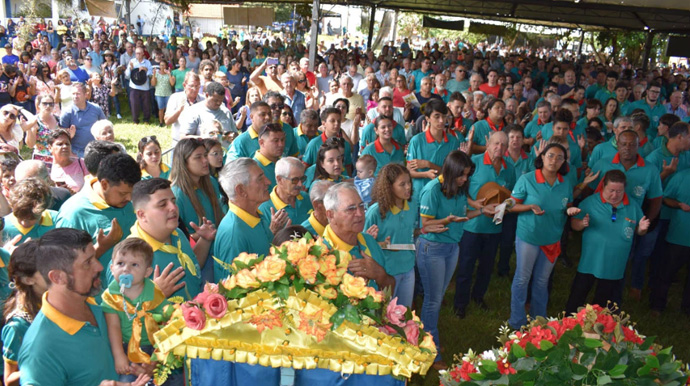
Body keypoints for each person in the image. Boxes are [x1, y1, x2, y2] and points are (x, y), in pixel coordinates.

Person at [17, 228, 150, 386]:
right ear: (58, 277)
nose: (99, 267)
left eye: (94, 258)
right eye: (87, 263)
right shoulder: (39, 350)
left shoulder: (103, 302)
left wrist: (144, 368)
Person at [416, 150, 484, 369]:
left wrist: (483, 210)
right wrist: (447, 219)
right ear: (451, 171)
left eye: (467, 175)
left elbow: (463, 214)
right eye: (462, 175)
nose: (465, 179)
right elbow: (425, 226)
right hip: (432, 248)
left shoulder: (459, 189)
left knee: (437, 297)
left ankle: (427, 338)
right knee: (433, 301)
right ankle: (430, 350)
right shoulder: (432, 190)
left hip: (451, 247)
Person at [507, 143, 579, 330]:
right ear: (542, 157)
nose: (554, 160)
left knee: (541, 281)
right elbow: (511, 206)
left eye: (559, 157)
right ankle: (517, 321)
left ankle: (539, 321)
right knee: (522, 278)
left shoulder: (566, 183)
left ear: (564, 162)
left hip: (552, 239)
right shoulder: (527, 179)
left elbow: (566, 205)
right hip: (529, 237)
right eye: (550, 155)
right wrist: (529, 207)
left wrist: (570, 210)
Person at [565, 170, 648, 314]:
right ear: (603, 186)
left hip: (615, 264)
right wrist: (582, 224)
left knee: (604, 301)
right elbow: (574, 225)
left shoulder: (633, 206)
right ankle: (569, 321)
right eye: (611, 190)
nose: (615, 195)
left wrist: (641, 229)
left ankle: (597, 328)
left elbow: (638, 231)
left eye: (619, 191)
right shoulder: (590, 203)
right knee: (578, 294)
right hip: (590, 261)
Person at [101, 238, 179, 384]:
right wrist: (119, 356)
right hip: (125, 348)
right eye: (120, 263)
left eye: (134, 265)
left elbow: (166, 319)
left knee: (171, 377)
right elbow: (113, 327)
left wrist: (159, 354)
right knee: (127, 378)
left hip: (154, 345)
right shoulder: (110, 296)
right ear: (112, 268)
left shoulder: (153, 292)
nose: (126, 269)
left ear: (147, 272)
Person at [454, 131, 514, 318]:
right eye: (496, 143)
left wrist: (505, 206)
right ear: (487, 143)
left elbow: (511, 194)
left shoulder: (509, 168)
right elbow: (460, 188)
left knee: (486, 266)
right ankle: (460, 303)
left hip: (494, 226)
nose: (499, 148)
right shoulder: (474, 163)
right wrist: (473, 204)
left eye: (504, 145)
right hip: (472, 225)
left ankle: (478, 296)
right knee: (466, 265)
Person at [57, 153, 141, 286]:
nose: (129, 199)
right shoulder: (73, 213)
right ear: (104, 184)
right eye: (123, 193)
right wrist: (101, 248)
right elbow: (64, 269)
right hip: (98, 299)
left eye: (133, 193)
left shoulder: (129, 202)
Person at [127, 178, 214, 300]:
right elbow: (124, 313)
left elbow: (190, 267)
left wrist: (204, 241)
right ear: (142, 215)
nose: (173, 207)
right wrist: (155, 295)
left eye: (174, 201)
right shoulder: (128, 257)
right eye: (162, 204)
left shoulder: (176, 233)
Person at [213, 158, 288, 281]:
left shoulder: (256, 214)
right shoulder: (234, 233)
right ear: (241, 190)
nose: (268, 182)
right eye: (260, 179)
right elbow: (233, 289)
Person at [322, 181, 395, 287]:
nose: (360, 214)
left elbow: (390, 290)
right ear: (331, 215)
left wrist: (379, 274)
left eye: (361, 206)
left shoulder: (369, 242)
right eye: (351, 209)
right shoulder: (322, 252)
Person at [365, 164, 417, 307]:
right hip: (386, 272)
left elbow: (412, 231)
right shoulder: (375, 212)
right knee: (385, 314)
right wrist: (379, 245)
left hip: (408, 268)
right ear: (389, 187)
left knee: (404, 313)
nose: (408, 187)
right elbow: (363, 244)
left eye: (409, 182)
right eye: (402, 184)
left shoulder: (412, 206)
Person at [2, 241, 48, 386]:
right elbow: (9, 380)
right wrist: (50, 360)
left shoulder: (58, 301)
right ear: (28, 279)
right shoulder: (18, 327)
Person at [650, 167, 690, 316]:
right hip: (678, 237)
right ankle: (657, 305)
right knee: (666, 273)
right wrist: (679, 205)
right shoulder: (681, 177)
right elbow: (665, 198)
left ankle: (687, 309)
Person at [407, 99, 462, 202]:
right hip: (419, 195)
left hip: (443, 195)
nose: (441, 120)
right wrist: (425, 174)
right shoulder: (417, 141)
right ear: (428, 119)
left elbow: (453, 173)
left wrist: (428, 164)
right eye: (437, 116)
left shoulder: (453, 141)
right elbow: (409, 171)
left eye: (444, 116)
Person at [259, 157, 311, 225]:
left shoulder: (305, 197)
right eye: (295, 180)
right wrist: (273, 231)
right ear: (280, 180)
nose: (300, 184)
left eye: (302, 179)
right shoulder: (264, 209)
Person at [3, 178, 57, 244]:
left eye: (30, 219)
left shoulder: (57, 220)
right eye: (19, 217)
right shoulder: (3, 227)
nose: (24, 223)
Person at [58, 82, 106, 157]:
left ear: (85, 95)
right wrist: (69, 136)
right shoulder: (67, 113)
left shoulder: (96, 109)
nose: (75, 96)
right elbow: (61, 137)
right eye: (73, 94)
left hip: (96, 149)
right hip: (76, 152)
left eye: (78, 94)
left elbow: (105, 126)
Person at [303, 107, 353, 171]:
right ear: (324, 123)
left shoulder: (345, 145)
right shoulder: (313, 144)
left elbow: (348, 168)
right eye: (332, 121)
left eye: (339, 121)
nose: (336, 124)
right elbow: (305, 169)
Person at [165, 71, 203, 148]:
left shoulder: (203, 100)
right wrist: (179, 110)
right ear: (184, 85)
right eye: (191, 86)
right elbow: (167, 121)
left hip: (198, 145)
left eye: (197, 86)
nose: (194, 89)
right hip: (179, 144)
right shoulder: (175, 98)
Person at [47, 130, 87, 194]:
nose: (65, 146)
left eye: (67, 144)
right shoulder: (47, 168)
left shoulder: (82, 163)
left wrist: (73, 194)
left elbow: (93, 188)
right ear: (50, 148)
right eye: (60, 144)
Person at [252, 122, 286, 190]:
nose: (281, 144)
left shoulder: (285, 163)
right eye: (276, 141)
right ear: (261, 142)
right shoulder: (253, 169)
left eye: (282, 140)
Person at [125, 47, 153, 125]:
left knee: (146, 104)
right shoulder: (132, 61)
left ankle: (146, 120)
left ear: (143, 54)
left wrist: (146, 69)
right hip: (134, 86)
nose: (138, 55)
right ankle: (135, 120)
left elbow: (151, 74)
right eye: (137, 53)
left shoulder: (147, 62)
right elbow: (127, 74)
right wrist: (130, 68)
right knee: (134, 104)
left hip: (145, 87)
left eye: (140, 53)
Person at [150, 59, 174, 127]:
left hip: (168, 93)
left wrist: (169, 74)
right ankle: (161, 122)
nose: (162, 66)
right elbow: (153, 84)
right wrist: (154, 75)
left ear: (166, 66)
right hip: (159, 94)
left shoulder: (169, 73)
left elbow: (172, 84)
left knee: (168, 109)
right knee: (161, 109)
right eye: (160, 65)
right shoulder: (156, 73)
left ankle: (167, 122)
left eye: (163, 65)